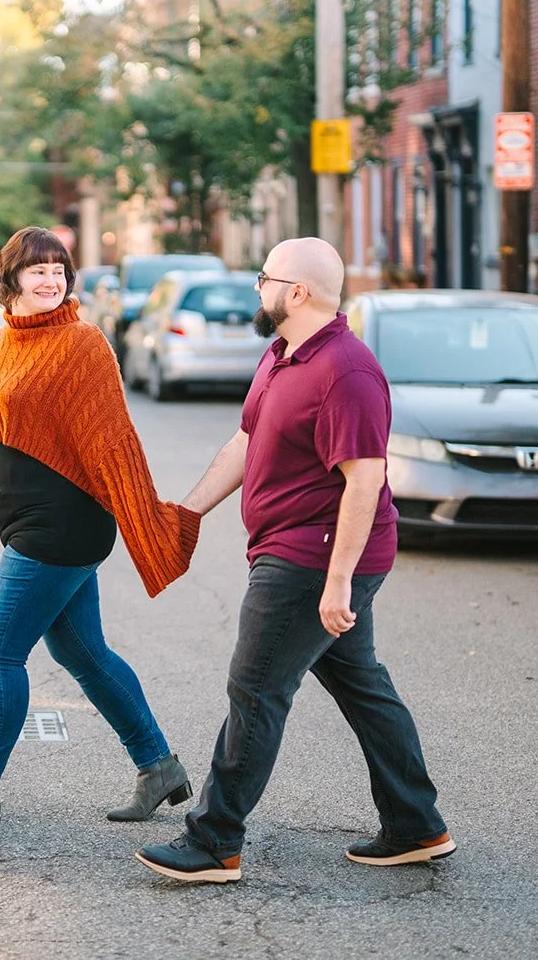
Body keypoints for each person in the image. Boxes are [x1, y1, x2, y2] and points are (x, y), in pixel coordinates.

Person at [135, 237, 452, 884]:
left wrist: (338, 584)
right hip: (300, 552)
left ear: (297, 291)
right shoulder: (281, 355)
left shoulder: (347, 371)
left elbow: (364, 480)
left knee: (255, 690)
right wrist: (188, 511)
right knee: (361, 684)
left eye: (264, 278)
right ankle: (417, 823)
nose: (256, 288)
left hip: (314, 557)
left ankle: (215, 840)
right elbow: (247, 439)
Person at [0, 226, 201, 838]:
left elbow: (113, 441)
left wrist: (145, 516)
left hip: (64, 526)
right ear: (10, 281)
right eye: (37, 270)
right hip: (27, 524)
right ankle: (158, 766)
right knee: (80, 651)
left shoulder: (84, 345)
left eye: (59, 269)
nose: (50, 279)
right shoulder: (3, 343)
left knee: (0, 648)